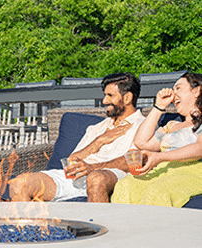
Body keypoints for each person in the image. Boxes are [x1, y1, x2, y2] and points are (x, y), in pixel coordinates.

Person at [9, 72, 146, 202]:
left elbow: (134, 161)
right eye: (105, 95)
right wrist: (99, 141)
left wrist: (93, 168)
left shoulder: (143, 125)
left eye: (110, 95)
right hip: (76, 178)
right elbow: (72, 161)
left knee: (95, 178)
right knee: (19, 184)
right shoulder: (98, 128)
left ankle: (99, 226)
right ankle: (31, 227)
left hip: (110, 176)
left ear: (127, 98)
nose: (104, 100)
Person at [112, 72, 202, 206]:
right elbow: (141, 142)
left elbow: (199, 149)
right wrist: (159, 107)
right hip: (165, 171)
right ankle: (121, 226)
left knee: (157, 191)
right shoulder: (171, 126)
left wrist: (160, 157)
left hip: (193, 170)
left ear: (196, 91)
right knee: (125, 186)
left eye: (178, 88)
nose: (173, 93)